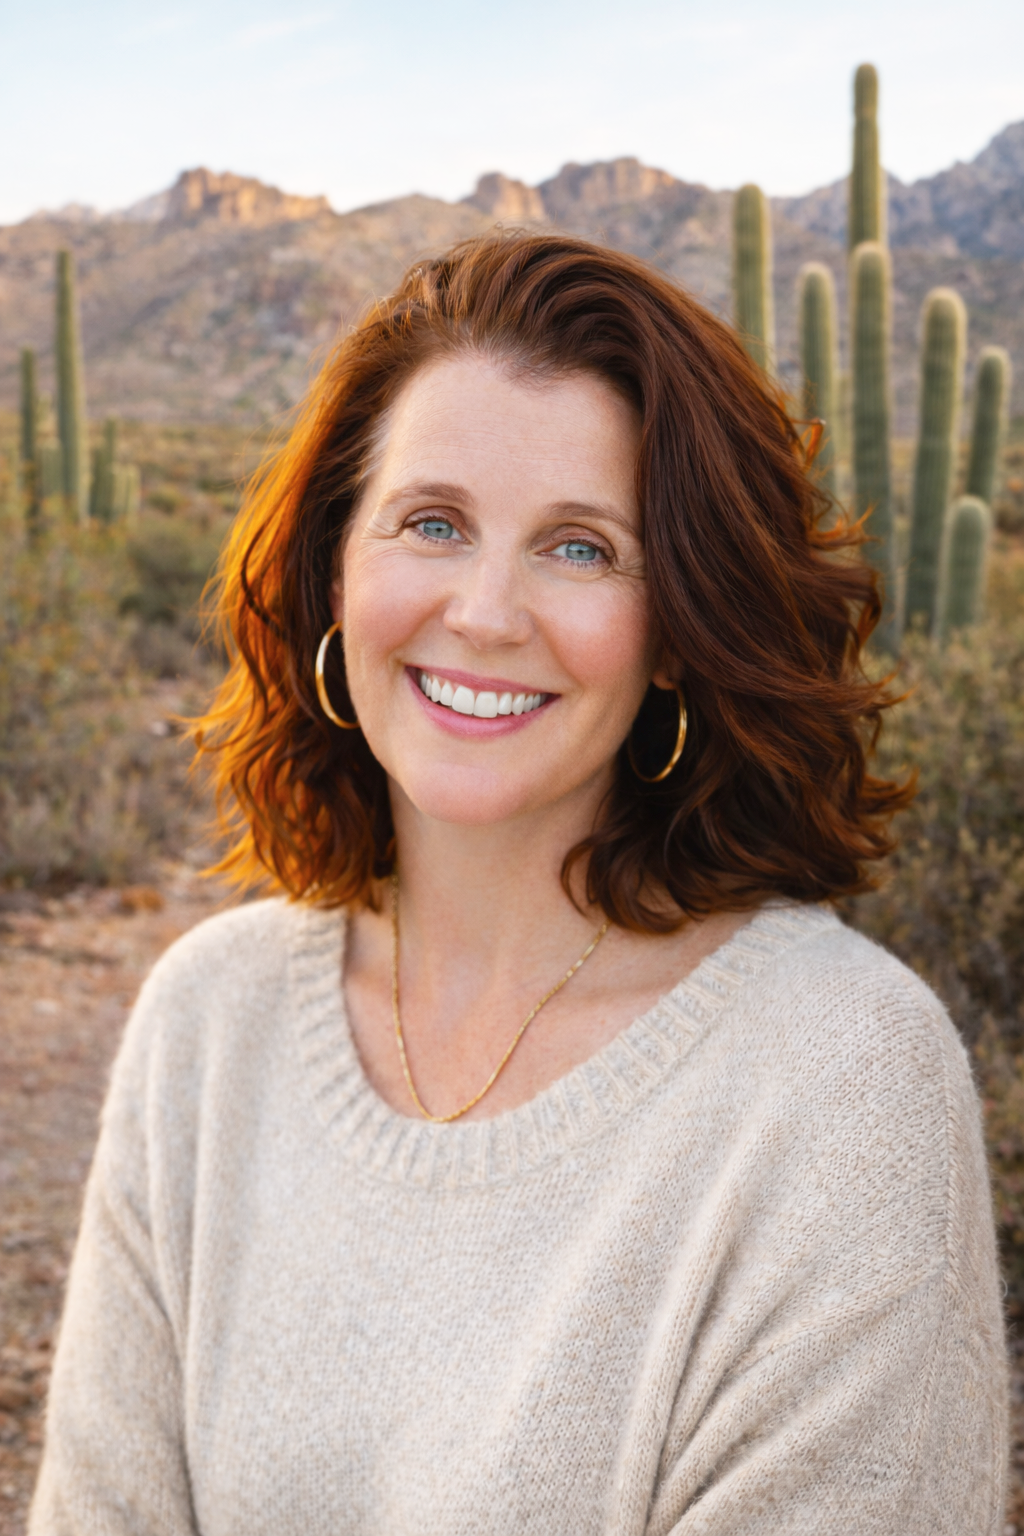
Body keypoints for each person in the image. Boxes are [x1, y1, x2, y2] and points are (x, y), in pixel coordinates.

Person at [31, 233, 1006, 1534]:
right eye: (431, 523)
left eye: (583, 549)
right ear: (337, 572)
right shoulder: (211, 1022)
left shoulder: (836, 1073)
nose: (487, 611)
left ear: (677, 636)